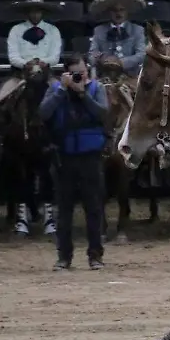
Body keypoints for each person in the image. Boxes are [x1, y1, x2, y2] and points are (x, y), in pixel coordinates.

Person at [39, 54, 109, 271]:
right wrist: (62, 90)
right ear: (66, 73)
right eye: (76, 73)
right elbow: (43, 113)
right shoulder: (56, 89)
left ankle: (95, 255)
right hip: (64, 157)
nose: (81, 76)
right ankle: (64, 256)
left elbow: (103, 114)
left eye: (83, 72)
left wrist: (82, 94)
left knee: (94, 208)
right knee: (64, 210)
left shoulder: (97, 88)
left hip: (90, 157)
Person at [0, 0, 63, 102]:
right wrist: (26, 64)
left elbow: (55, 57)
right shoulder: (16, 30)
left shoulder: (53, 30)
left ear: (42, 12)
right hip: (20, 75)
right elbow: (13, 57)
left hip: (46, 74)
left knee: (63, 98)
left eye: (38, 11)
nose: (35, 14)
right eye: (32, 11)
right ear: (27, 12)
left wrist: (42, 62)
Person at [88, 0, 147, 76]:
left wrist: (120, 62)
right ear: (109, 12)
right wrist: (103, 59)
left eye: (121, 10)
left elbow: (142, 55)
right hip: (106, 77)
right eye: (114, 10)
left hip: (130, 77)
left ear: (127, 11)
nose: (118, 13)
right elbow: (91, 56)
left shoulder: (137, 30)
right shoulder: (99, 30)